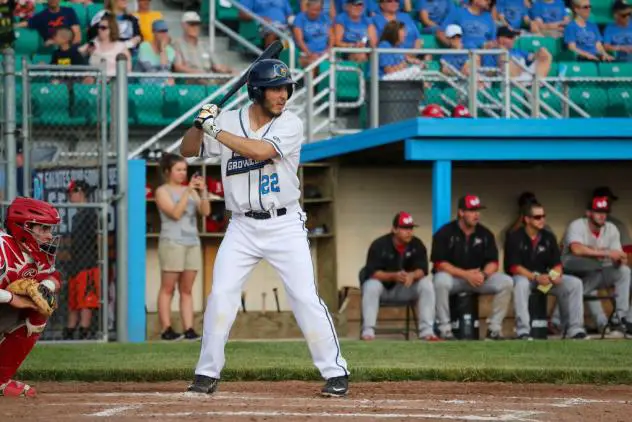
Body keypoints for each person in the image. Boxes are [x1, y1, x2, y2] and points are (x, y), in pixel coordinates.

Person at [179, 59, 350, 397]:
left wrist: (214, 130)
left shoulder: (291, 124)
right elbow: (186, 150)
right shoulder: (228, 120)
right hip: (241, 226)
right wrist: (199, 123)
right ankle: (206, 373)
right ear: (257, 91)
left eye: (286, 88)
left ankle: (335, 371)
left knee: (304, 296)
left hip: (284, 223)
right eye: (275, 88)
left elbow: (258, 151)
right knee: (221, 296)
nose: (282, 95)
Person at [0, 197, 62, 397]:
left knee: (38, 310)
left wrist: (46, 286)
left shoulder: (36, 254)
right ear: (23, 227)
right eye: (43, 229)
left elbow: (55, 276)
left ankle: (0, 381)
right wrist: (11, 298)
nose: (49, 235)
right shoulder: (2, 247)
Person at [431, 194, 513, 340]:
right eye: (472, 210)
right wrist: (465, 274)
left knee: (506, 282)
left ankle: (494, 329)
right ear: (461, 212)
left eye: (478, 210)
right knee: (440, 280)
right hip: (455, 279)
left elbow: (493, 262)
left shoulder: (485, 234)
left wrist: (484, 275)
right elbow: (439, 264)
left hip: (478, 279)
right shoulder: (445, 232)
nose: (476, 214)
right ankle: (445, 329)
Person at [504, 201, 588, 340]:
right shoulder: (515, 237)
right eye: (537, 217)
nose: (542, 219)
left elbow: (556, 264)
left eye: (543, 216)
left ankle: (575, 329)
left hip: (544, 282)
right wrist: (535, 277)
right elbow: (514, 267)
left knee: (574, 283)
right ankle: (523, 331)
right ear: (527, 219)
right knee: (521, 284)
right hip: (525, 278)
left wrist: (554, 276)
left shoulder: (548, 236)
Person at [154, 153, 211, 341]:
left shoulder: (191, 190)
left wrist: (202, 192)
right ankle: (166, 329)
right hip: (172, 242)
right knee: (168, 288)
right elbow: (175, 214)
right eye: (178, 170)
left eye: (185, 169)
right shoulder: (162, 191)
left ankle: (189, 329)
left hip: (192, 242)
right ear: (167, 171)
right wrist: (187, 192)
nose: (182, 173)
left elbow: (205, 212)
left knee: (187, 289)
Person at [561, 196, 632, 337]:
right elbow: (577, 249)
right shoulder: (577, 225)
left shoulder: (611, 229)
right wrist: (606, 253)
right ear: (588, 213)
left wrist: (619, 259)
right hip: (572, 272)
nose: (602, 215)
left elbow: (618, 256)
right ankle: (569, 325)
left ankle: (619, 319)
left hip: (597, 274)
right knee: (591, 270)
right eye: (598, 211)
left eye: (604, 212)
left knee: (624, 271)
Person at [361, 212, 438, 341]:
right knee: (370, 285)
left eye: (411, 228)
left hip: (405, 289)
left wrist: (412, 275)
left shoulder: (417, 244)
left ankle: (427, 332)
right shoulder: (379, 245)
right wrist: (393, 276)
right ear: (394, 229)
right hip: (384, 289)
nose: (409, 232)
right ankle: (368, 332)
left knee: (426, 284)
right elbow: (372, 272)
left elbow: (423, 270)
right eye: (404, 228)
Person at [63, 180, 100, 341]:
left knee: (86, 300)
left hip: (88, 263)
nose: (70, 196)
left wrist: (99, 262)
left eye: (72, 192)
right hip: (75, 264)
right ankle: (70, 330)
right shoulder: (78, 215)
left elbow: (98, 238)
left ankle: (84, 330)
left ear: (81, 193)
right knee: (73, 300)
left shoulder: (91, 213)